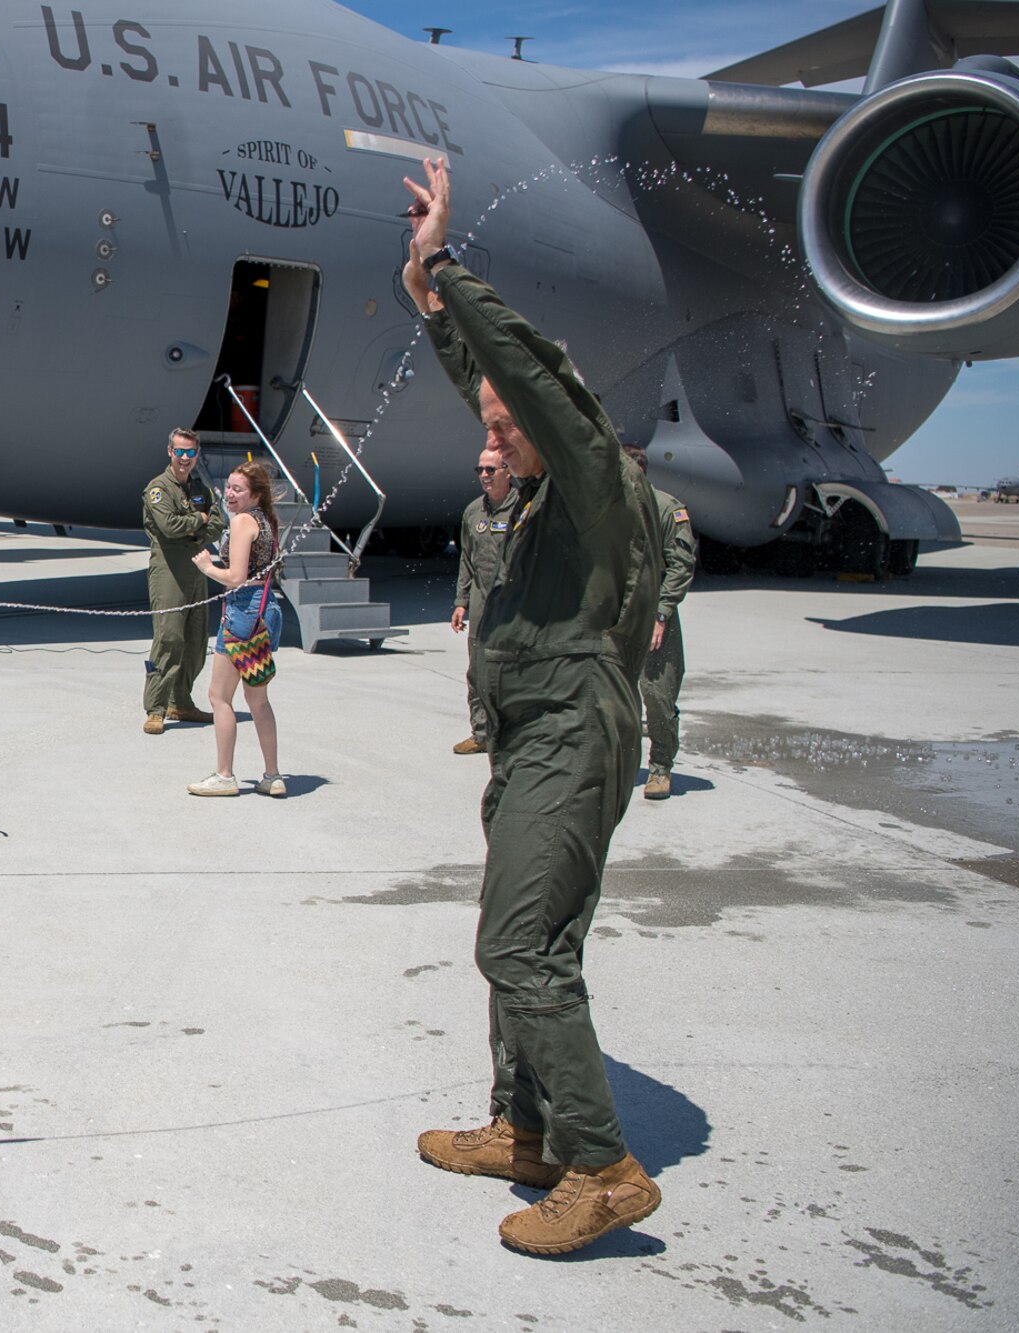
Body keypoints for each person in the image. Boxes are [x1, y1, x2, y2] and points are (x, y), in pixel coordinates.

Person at [399, 157, 665, 1257]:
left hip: (569, 728)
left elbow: (522, 374)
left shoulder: (592, 475)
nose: (488, 431)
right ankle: (524, 1130)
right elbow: (495, 383)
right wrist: (424, 297)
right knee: (524, 938)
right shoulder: (552, 479)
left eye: (506, 422)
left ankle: (598, 1166)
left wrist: (450, 269)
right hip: (532, 733)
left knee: (519, 946)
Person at [188, 461, 286, 796]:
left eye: (237, 489)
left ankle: (225, 775)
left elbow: (236, 577)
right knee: (258, 700)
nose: (229, 493)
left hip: (243, 610)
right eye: (228, 486)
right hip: (266, 607)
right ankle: (272, 776)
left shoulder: (244, 521)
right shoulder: (267, 519)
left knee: (218, 696)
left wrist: (207, 567)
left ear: (254, 494)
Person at [142, 428, 229, 734]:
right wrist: (199, 521)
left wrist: (197, 528)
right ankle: (156, 707)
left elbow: (219, 522)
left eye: (190, 453)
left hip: (196, 569)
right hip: (169, 571)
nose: (185, 458)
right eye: (179, 452)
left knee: (195, 641)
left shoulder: (199, 488)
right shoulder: (158, 488)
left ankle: (181, 701)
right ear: (170, 452)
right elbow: (168, 526)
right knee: (169, 639)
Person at [622, 444, 698, 800]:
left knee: (656, 695)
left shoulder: (668, 510)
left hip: (653, 616)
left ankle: (660, 767)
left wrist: (661, 614)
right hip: (616, 615)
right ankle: (620, 764)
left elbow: (680, 567)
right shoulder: (609, 509)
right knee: (612, 695)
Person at [450, 447, 518, 755]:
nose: (484, 476)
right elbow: (466, 558)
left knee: (511, 672)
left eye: (491, 470)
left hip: (514, 605)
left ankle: (513, 735)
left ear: (508, 471)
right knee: (477, 671)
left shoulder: (523, 509)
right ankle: (480, 732)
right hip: (480, 604)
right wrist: (461, 601)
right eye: (480, 470)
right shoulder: (473, 512)